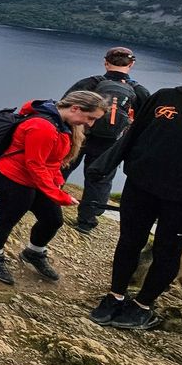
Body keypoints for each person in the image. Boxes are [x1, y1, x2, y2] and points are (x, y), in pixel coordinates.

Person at [0, 91, 106, 286]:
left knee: (53, 220)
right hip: (13, 178)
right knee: (7, 219)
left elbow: (51, 162)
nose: (90, 124)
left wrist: (56, 186)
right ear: (75, 108)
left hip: (34, 178)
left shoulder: (62, 124)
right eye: (90, 118)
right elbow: (35, 165)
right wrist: (58, 195)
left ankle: (34, 252)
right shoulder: (42, 126)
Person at [88, 83, 182, 330]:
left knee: (168, 252)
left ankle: (143, 305)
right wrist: (104, 164)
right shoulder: (165, 97)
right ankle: (116, 295)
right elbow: (134, 132)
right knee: (129, 241)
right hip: (140, 185)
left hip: (181, 200)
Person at [63, 47, 149, 234]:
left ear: (106, 62)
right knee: (100, 179)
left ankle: (45, 201)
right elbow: (146, 121)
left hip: (80, 135)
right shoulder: (138, 91)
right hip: (111, 144)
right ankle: (86, 221)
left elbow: (65, 105)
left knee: (63, 166)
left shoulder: (90, 83)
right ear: (131, 64)